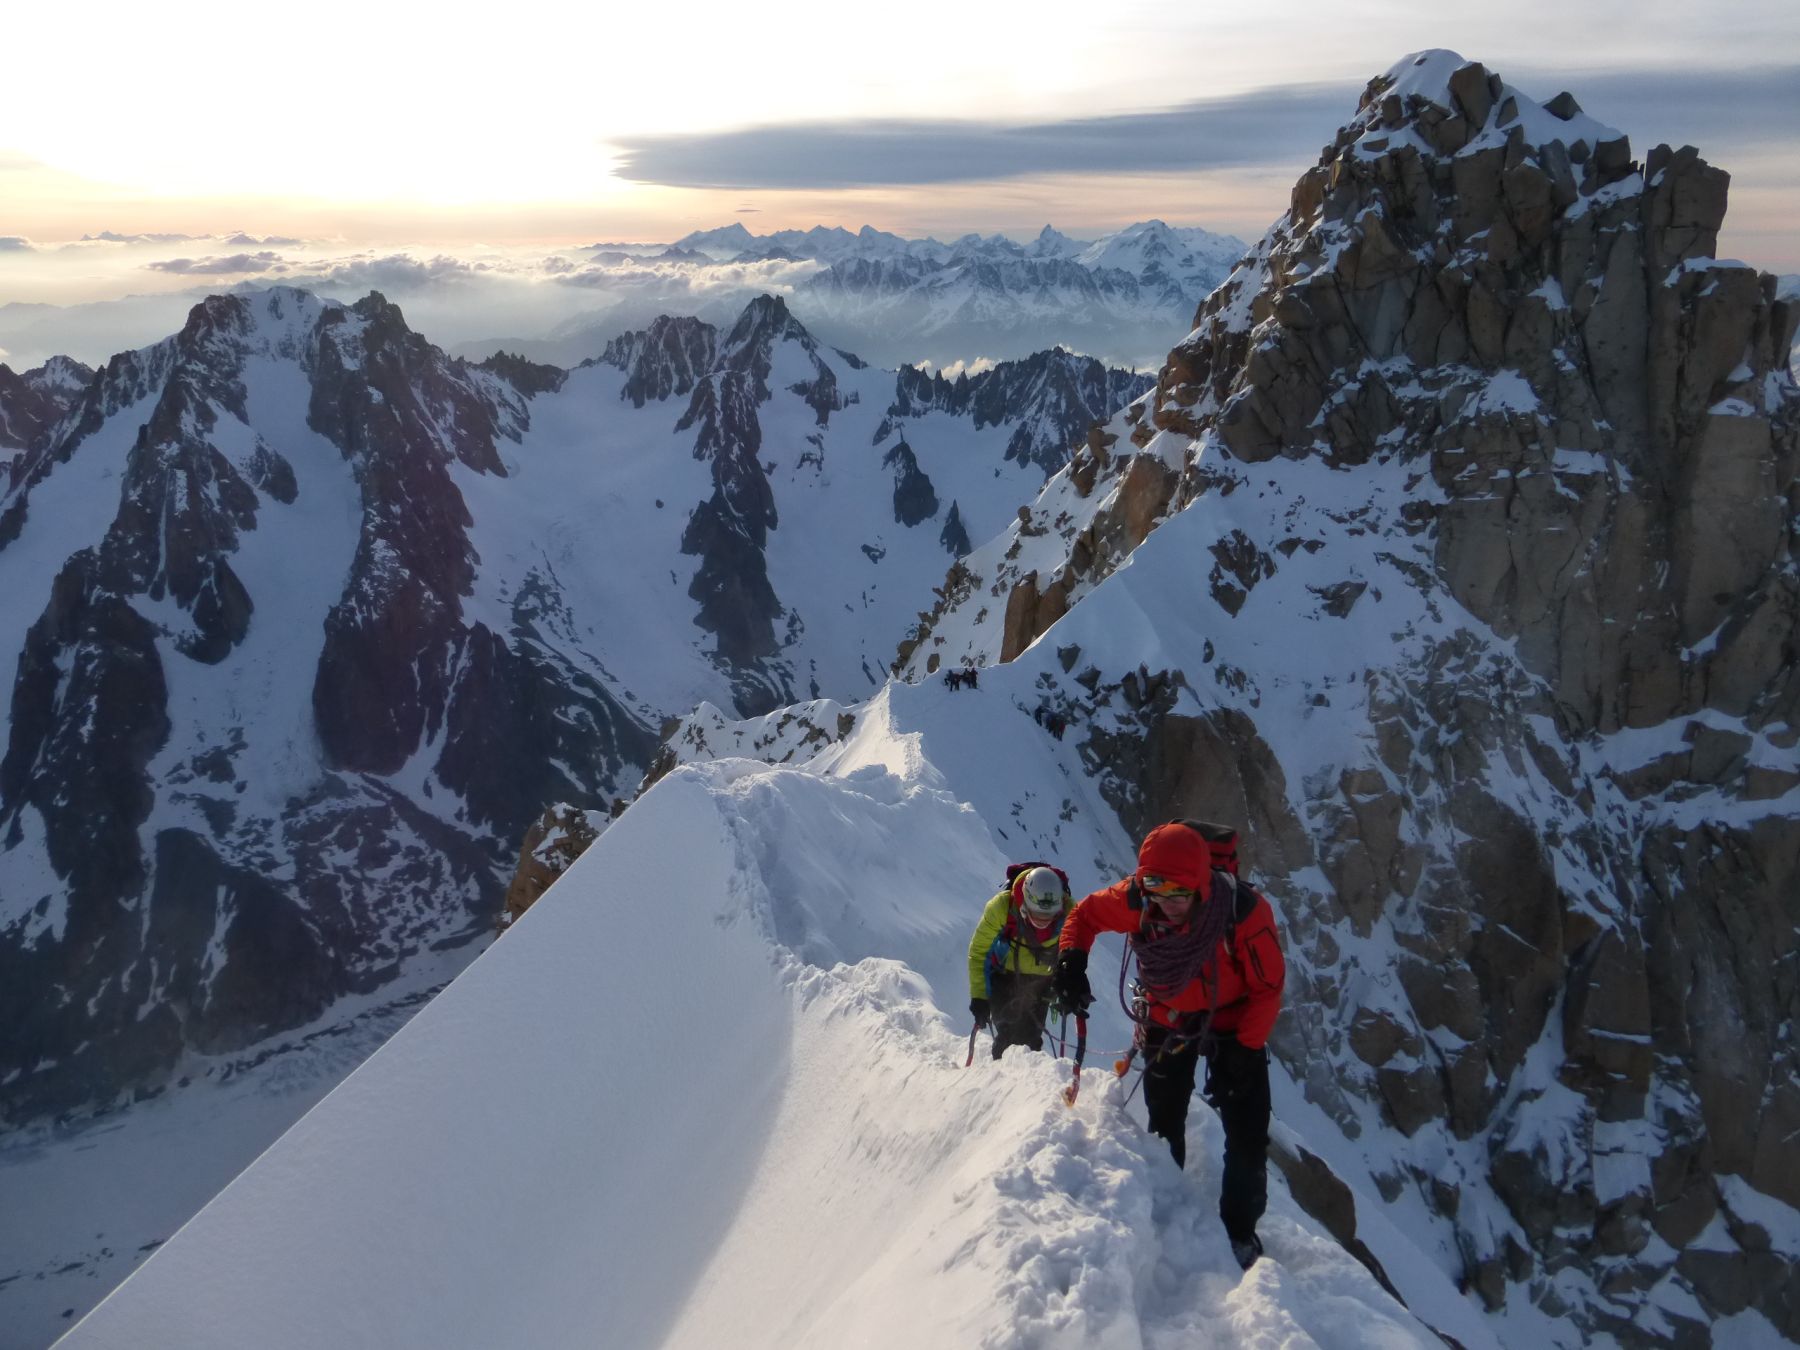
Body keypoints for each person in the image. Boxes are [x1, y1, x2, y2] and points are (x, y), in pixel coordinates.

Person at [1052, 820, 1284, 1270]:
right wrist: (1071, 960)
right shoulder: (1136, 899)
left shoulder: (1244, 912)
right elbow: (1083, 917)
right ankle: (1168, 1200)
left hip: (1235, 1025)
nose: (1167, 905)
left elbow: (1268, 987)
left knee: (1248, 1135)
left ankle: (1239, 1232)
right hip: (1169, 1018)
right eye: (1158, 893)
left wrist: (1245, 1045)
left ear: (1201, 886)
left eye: (1179, 895)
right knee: (1165, 1116)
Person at [968, 864, 1073, 1059]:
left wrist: (1069, 986)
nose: (1043, 920)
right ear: (1025, 902)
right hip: (1004, 976)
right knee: (1007, 1035)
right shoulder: (1002, 907)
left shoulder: (1070, 913)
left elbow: (1075, 956)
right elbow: (979, 952)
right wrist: (979, 996)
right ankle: (1003, 1078)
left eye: (1048, 915)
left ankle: (1013, 1080)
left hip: (1043, 983)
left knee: (1031, 1039)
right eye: (1038, 913)